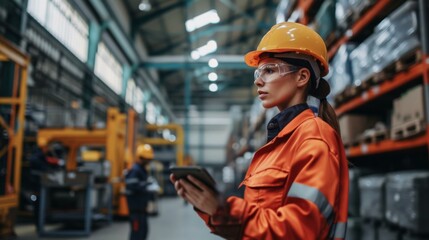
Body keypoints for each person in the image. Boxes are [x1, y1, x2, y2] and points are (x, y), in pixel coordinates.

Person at [170, 22, 349, 239]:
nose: (259, 81)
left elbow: (299, 231)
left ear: (302, 77)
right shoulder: (279, 142)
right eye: (258, 72)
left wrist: (226, 210)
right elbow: (258, 219)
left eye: (270, 70)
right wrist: (211, 208)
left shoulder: (314, 138)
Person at [125, 144, 160, 240]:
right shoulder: (135, 170)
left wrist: (148, 183)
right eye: (146, 159)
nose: (148, 161)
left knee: (143, 232)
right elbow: (132, 185)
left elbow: (141, 182)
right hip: (136, 211)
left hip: (142, 210)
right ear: (140, 157)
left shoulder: (142, 169)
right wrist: (147, 186)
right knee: (137, 234)